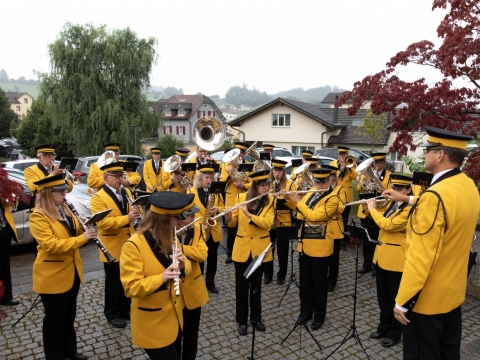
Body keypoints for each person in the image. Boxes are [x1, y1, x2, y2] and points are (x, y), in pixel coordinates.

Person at [390, 126, 480, 360]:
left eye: (428, 149)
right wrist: (408, 198)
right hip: (452, 295)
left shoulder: (435, 197)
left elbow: (421, 257)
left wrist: (403, 302)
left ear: (440, 155)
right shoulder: (468, 185)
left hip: (426, 302)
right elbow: (445, 208)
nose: (423, 154)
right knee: (448, 353)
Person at [29, 174, 97, 360]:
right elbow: (51, 245)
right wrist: (81, 238)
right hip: (52, 276)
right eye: (60, 192)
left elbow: (73, 232)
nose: (64, 194)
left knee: (68, 316)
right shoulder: (38, 216)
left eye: (64, 190)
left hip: (72, 272)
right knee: (54, 321)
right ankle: (55, 355)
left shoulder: (64, 210)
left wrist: (84, 228)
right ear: (48, 194)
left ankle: (70, 351)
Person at [120, 191, 192, 360]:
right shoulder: (133, 245)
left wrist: (182, 265)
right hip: (152, 323)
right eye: (176, 219)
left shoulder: (171, 235)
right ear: (163, 220)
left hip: (174, 318)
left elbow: (186, 265)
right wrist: (162, 277)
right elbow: (131, 287)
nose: (179, 222)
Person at [284, 168, 341, 331]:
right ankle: (306, 312)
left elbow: (316, 217)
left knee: (319, 285)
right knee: (305, 283)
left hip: (321, 247)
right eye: (317, 182)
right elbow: (301, 213)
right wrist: (288, 199)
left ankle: (319, 316)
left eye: (323, 182)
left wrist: (299, 201)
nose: (319, 185)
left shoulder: (333, 199)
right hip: (305, 244)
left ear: (329, 181)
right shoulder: (310, 192)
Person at [90, 162, 142, 329]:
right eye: (117, 177)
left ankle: (125, 309)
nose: (121, 179)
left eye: (122, 176)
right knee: (113, 283)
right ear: (107, 178)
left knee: (126, 279)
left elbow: (131, 213)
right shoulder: (98, 197)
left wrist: (136, 211)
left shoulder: (126, 191)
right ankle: (112, 313)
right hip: (111, 245)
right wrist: (127, 218)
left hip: (128, 243)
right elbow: (103, 223)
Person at [364, 174, 413, 348]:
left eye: (400, 189)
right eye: (394, 188)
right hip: (382, 256)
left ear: (408, 190)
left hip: (396, 260)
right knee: (383, 297)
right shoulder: (392, 203)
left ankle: (395, 332)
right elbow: (380, 221)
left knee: (395, 299)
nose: (395, 192)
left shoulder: (409, 209)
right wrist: (367, 208)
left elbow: (388, 225)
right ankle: (383, 327)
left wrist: (373, 210)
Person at [224, 169, 275, 336]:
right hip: (242, 250)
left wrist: (248, 214)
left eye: (267, 185)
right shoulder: (241, 198)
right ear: (255, 186)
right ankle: (242, 321)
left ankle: (256, 318)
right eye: (262, 186)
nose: (266, 188)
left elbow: (267, 224)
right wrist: (229, 218)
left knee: (256, 287)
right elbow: (234, 224)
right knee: (241, 287)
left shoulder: (270, 201)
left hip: (259, 251)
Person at [177, 200, 209, 360]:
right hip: (173, 293)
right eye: (190, 215)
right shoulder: (167, 232)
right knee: (175, 335)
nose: (195, 216)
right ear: (179, 217)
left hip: (193, 290)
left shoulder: (198, 228)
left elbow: (202, 254)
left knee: (191, 335)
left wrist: (179, 247)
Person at [187, 164, 224, 294]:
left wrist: (218, 209)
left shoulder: (216, 192)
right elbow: (187, 211)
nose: (209, 180)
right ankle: (198, 282)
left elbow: (223, 207)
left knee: (213, 259)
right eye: (206, 177)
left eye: (211, 178)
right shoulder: (191, 192)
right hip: (198, 230)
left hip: (213, 230)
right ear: (200, 179)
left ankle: (210, 283)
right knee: (199, 259)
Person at [262, 159, 298, 285]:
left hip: (283, 222)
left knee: (283, 251)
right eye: (275, 170)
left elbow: (295, 206)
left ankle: (281, 275)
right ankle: (268, 274)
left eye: (280, 171)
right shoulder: (267, 184)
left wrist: (287, 198)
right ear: (272, 171)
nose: (277, 173)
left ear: (283, 172)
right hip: (269, 222)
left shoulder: (290, 185)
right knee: (268, 249)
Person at [356, 152, 392, 275]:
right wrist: (365, 182)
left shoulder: (389, 175)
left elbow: (390, 191)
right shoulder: (366, 174)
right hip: (366, 212)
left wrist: (379, 187)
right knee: (367, 240)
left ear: (384, 163)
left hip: (380, 212)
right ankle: (366, 265)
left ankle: (377, 265)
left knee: (378, 239)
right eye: (376, 162)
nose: (378, 165)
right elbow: (359, 189)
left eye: (381, 162)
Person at [220, 143, 252, 264]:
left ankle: (245, 251)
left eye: (243, 152)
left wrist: (244, 185)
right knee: (231, 228)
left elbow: (253, 183)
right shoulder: (225, 165)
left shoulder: (249, 165)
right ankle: (230, 253)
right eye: (239, 152)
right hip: (232, 199)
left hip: (245, 199)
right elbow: (222, 183)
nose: (241, 155)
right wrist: (229, 174)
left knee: (244, 226)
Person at [0, 167, 24, 306]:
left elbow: (11, 202)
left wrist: (6, 199)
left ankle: (7, 296)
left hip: (3, 228)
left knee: (5, 264)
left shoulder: (3, 180)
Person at [321, 164, 346, 292]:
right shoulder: (320, 188)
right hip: (322, 226)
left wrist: (329, 206)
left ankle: (332, 280)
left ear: (335, 177)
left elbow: (341, 208)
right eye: (328, 176)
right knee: (324, 254)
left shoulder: (340, 190)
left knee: (334, 257)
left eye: (331, 175)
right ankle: (322, 278)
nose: (329, 178)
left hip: (335, 227)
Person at [330, 146, 358, 247]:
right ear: (338, 155)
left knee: (345, 217)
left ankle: (343, 236)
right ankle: (334, 234)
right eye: (340, 154)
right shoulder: (333, 164)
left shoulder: (352, 164)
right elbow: (331, 177)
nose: (342, 156)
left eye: (344, 154)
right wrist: (340, 169)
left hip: (347, 195)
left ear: (347, 155)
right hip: (335, 194)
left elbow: (355, 177)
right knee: (336, 216)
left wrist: (348, 167)